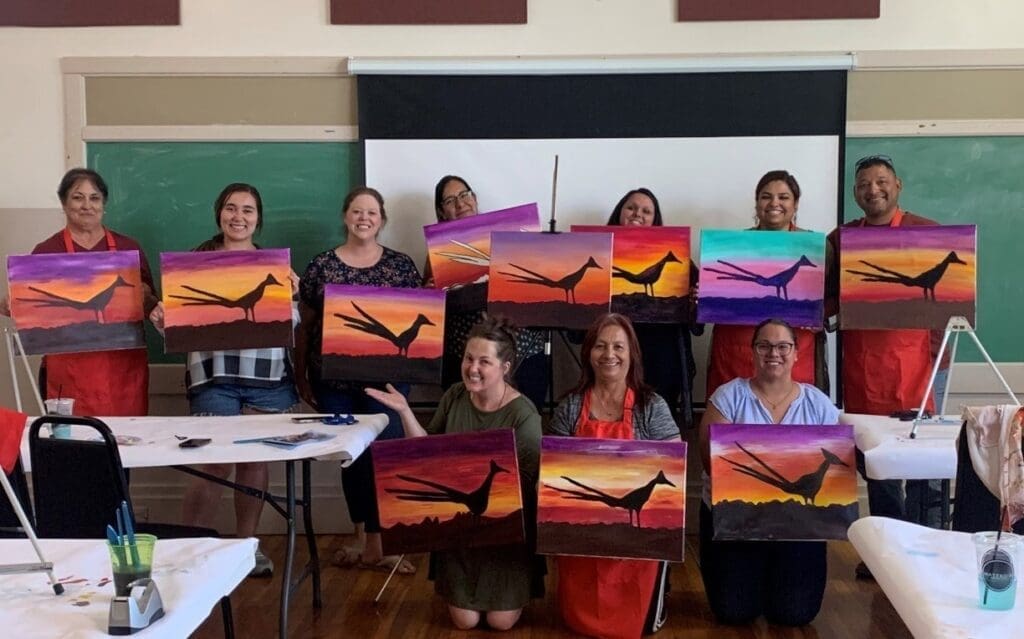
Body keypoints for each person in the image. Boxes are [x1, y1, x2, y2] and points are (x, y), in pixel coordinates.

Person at [149, 183, 299, 578]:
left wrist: (291, 301)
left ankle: (244, 548)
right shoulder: (195, 263)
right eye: (231, 209)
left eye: (248, 210)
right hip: (213, 377)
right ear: (219, 213)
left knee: (253, 463)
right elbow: (179, 325)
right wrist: (165, 315)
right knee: (214, 464)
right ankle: (191, 549)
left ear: (258, 218)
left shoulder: (274, 266)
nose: (239, 217)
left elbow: (290, 325)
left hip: (266, 377)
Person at [366, 315, 543, 631]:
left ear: (505, 368)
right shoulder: (454, 396)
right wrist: (405, 410)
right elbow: (427, 454)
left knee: (501, 623)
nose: (472, 368)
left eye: (484, 362)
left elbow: (529, 486)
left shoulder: (524, 414)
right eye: (468, 358)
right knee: (465, 621)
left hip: (506, 537)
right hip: (459, 532)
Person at [295, 186, 420, 575]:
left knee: (385, 457)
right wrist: (301, 375)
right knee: (352, 459)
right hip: (334, 381)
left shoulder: (402, 266)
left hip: (388, 384)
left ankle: (382, 544)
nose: (364, 218)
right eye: (356, 211)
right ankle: (359, 538)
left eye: (372, 212)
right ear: (345, 216)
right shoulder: (321, 266)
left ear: (382, 219)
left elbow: (419, 322)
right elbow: (307, 326)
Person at [826, 155, 945, 565]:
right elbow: (823, 301)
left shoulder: (928, 233)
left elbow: (948, 303)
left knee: (926, 468)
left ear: (898, 185)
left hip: (919, 367)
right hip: (862, 368)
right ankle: (888, 557)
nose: (872, 190)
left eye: (881, 182)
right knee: (878, 467)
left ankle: (926, 553)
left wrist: (937, 363)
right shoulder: (839, 239)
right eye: (863, 184)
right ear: (855, 192)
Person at [698, 318, 840, 626]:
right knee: (734, 611)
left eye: (782, 346)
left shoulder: (818, 403)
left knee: (795, 614)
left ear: (796, 353)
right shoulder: (728, 397)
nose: (773, 353)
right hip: (737, 519)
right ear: (752, 352)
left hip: (797, 526)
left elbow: (839, 456)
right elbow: (711, 460)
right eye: (764, 345)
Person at [547, 313, 681, 638]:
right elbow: (552, 473)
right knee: (576, 620)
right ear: (588, 353)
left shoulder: (652, 406)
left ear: (632, 354)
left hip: (638, 544)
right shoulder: (569, 406)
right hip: (583, 537)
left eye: (619, 346)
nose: (609, 355)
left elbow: (674, 471)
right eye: (601, 346)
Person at [0, 168, 157, 416]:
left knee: (127, 446)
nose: (87, 205)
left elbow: (153, 310)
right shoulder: (47, 251)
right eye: (77, 197)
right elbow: (21, 309)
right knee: (71, 446)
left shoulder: (129, 248)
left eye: (94, 198)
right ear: (63, 203)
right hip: (68, 372)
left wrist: (147, 298)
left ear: (103, 204)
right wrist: (10, 304)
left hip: (124, 370)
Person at [429, 175, 550, 410]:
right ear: (442, 211)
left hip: (522, 348)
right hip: (469, 351)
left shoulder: (512, 233)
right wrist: (432, 292)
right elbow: (437, 307)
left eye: (464, 195)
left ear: (474, 198)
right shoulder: (438, 251)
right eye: (450, 200)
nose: (460, 203)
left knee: (523, 416)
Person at [706, 170, 829, 400]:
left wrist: (822, 315)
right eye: (766, 196)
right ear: (757, 203)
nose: (774, 203)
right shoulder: (730, 246)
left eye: (783, 197)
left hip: (795, 350)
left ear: (796, 204)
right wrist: (703, 296)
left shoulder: (817, 247)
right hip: (737, 349)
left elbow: (834, 298)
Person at [605, 187, 701, 426]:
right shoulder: (598, 252)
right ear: (619, 212)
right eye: (631, 207)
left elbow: (698, 320)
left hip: (662, 358)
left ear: (655, 220)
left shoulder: (682, 262)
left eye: (646, 211)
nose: (638, 214)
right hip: (610, 356)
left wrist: (696, 300)